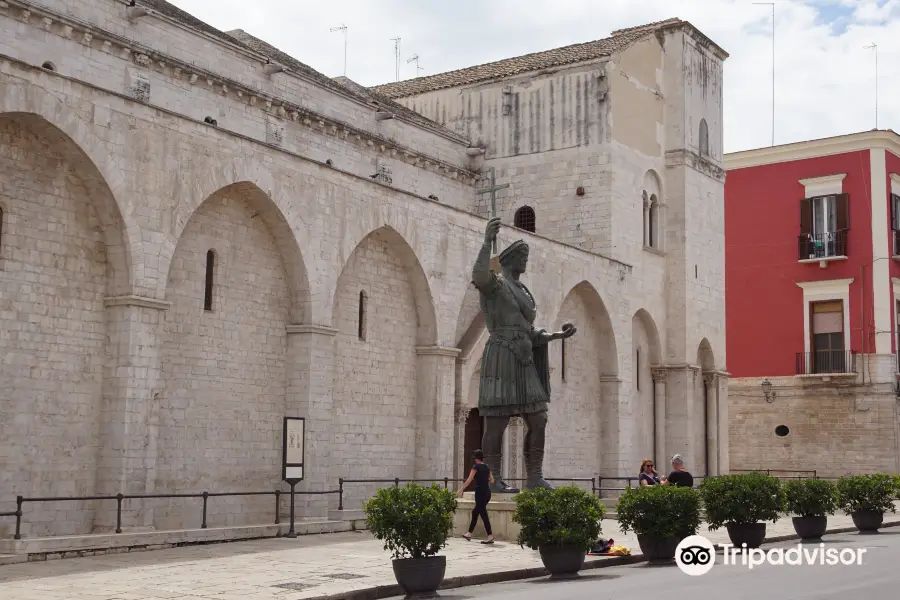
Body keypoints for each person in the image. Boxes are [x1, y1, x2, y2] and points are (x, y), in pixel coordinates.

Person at [471, 217, 577, 492]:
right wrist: (485, 242)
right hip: (503, 355)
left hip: (525, 356)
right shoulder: (496, 284)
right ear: (509, 260)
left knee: (538, 418)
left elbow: (528, 328)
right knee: (497, 421)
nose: (525, 262)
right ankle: (493, 479)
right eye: (521, 257)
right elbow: (479, 276)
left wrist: (555, 336)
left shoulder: (523, 290)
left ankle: (534, 477)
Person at [457, 449, 496, 544]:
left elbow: (469, 479)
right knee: (475, 512)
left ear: (475, 459)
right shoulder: (487, 467)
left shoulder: (475, 467)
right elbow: (492, 481)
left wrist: (461, 489)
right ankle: (469, 533)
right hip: (487, 492)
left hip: (480, 492)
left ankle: (490, 536)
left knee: (483, 514)